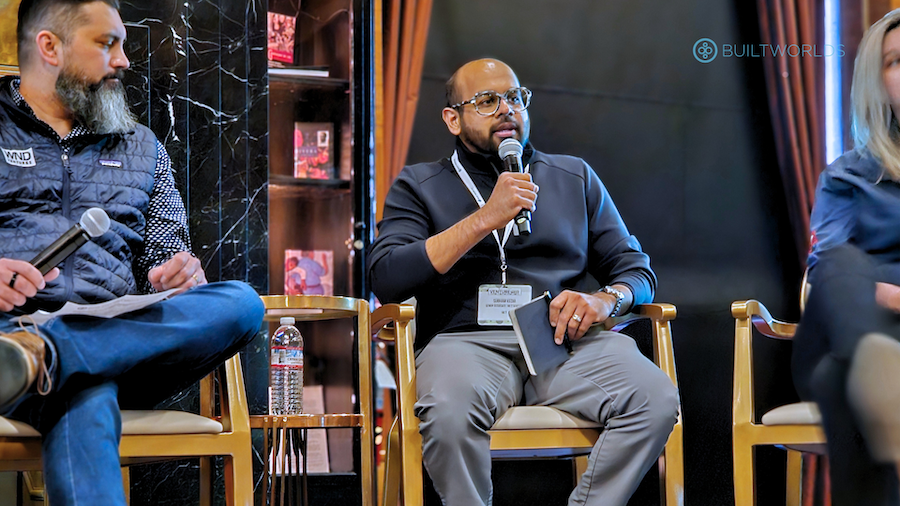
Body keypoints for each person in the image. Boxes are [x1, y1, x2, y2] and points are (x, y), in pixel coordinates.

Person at [368, 58, 679, 506]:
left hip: (563, 341)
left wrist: (606, 300)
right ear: (452, 119)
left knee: (654, 399)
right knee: (449, 414)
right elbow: (388, 276)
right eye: (487, 101)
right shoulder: (419, 184)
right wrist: (484, 219)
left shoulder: (574, 177)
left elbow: (636, 270)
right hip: (466, 341)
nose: (506, 110)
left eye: (514, 97)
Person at [0, 1, 264, 504]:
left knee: (243, 303)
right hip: (10, 333)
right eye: (107, 44)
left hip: (121, 344)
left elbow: (168, 252)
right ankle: (47, 356)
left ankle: (47, 355)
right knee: (84, 388)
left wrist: (175, 273)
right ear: (49, 47)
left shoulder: (142, 146)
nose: (124, 59)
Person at [793, 8, 900, 505]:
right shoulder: (847, 177)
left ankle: (876, 378)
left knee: (837, 381)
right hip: (854, 324)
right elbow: (829, 273)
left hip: (846, 358)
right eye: (896, 61)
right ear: (875, 84)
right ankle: (876, 364)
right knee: (838, 266)